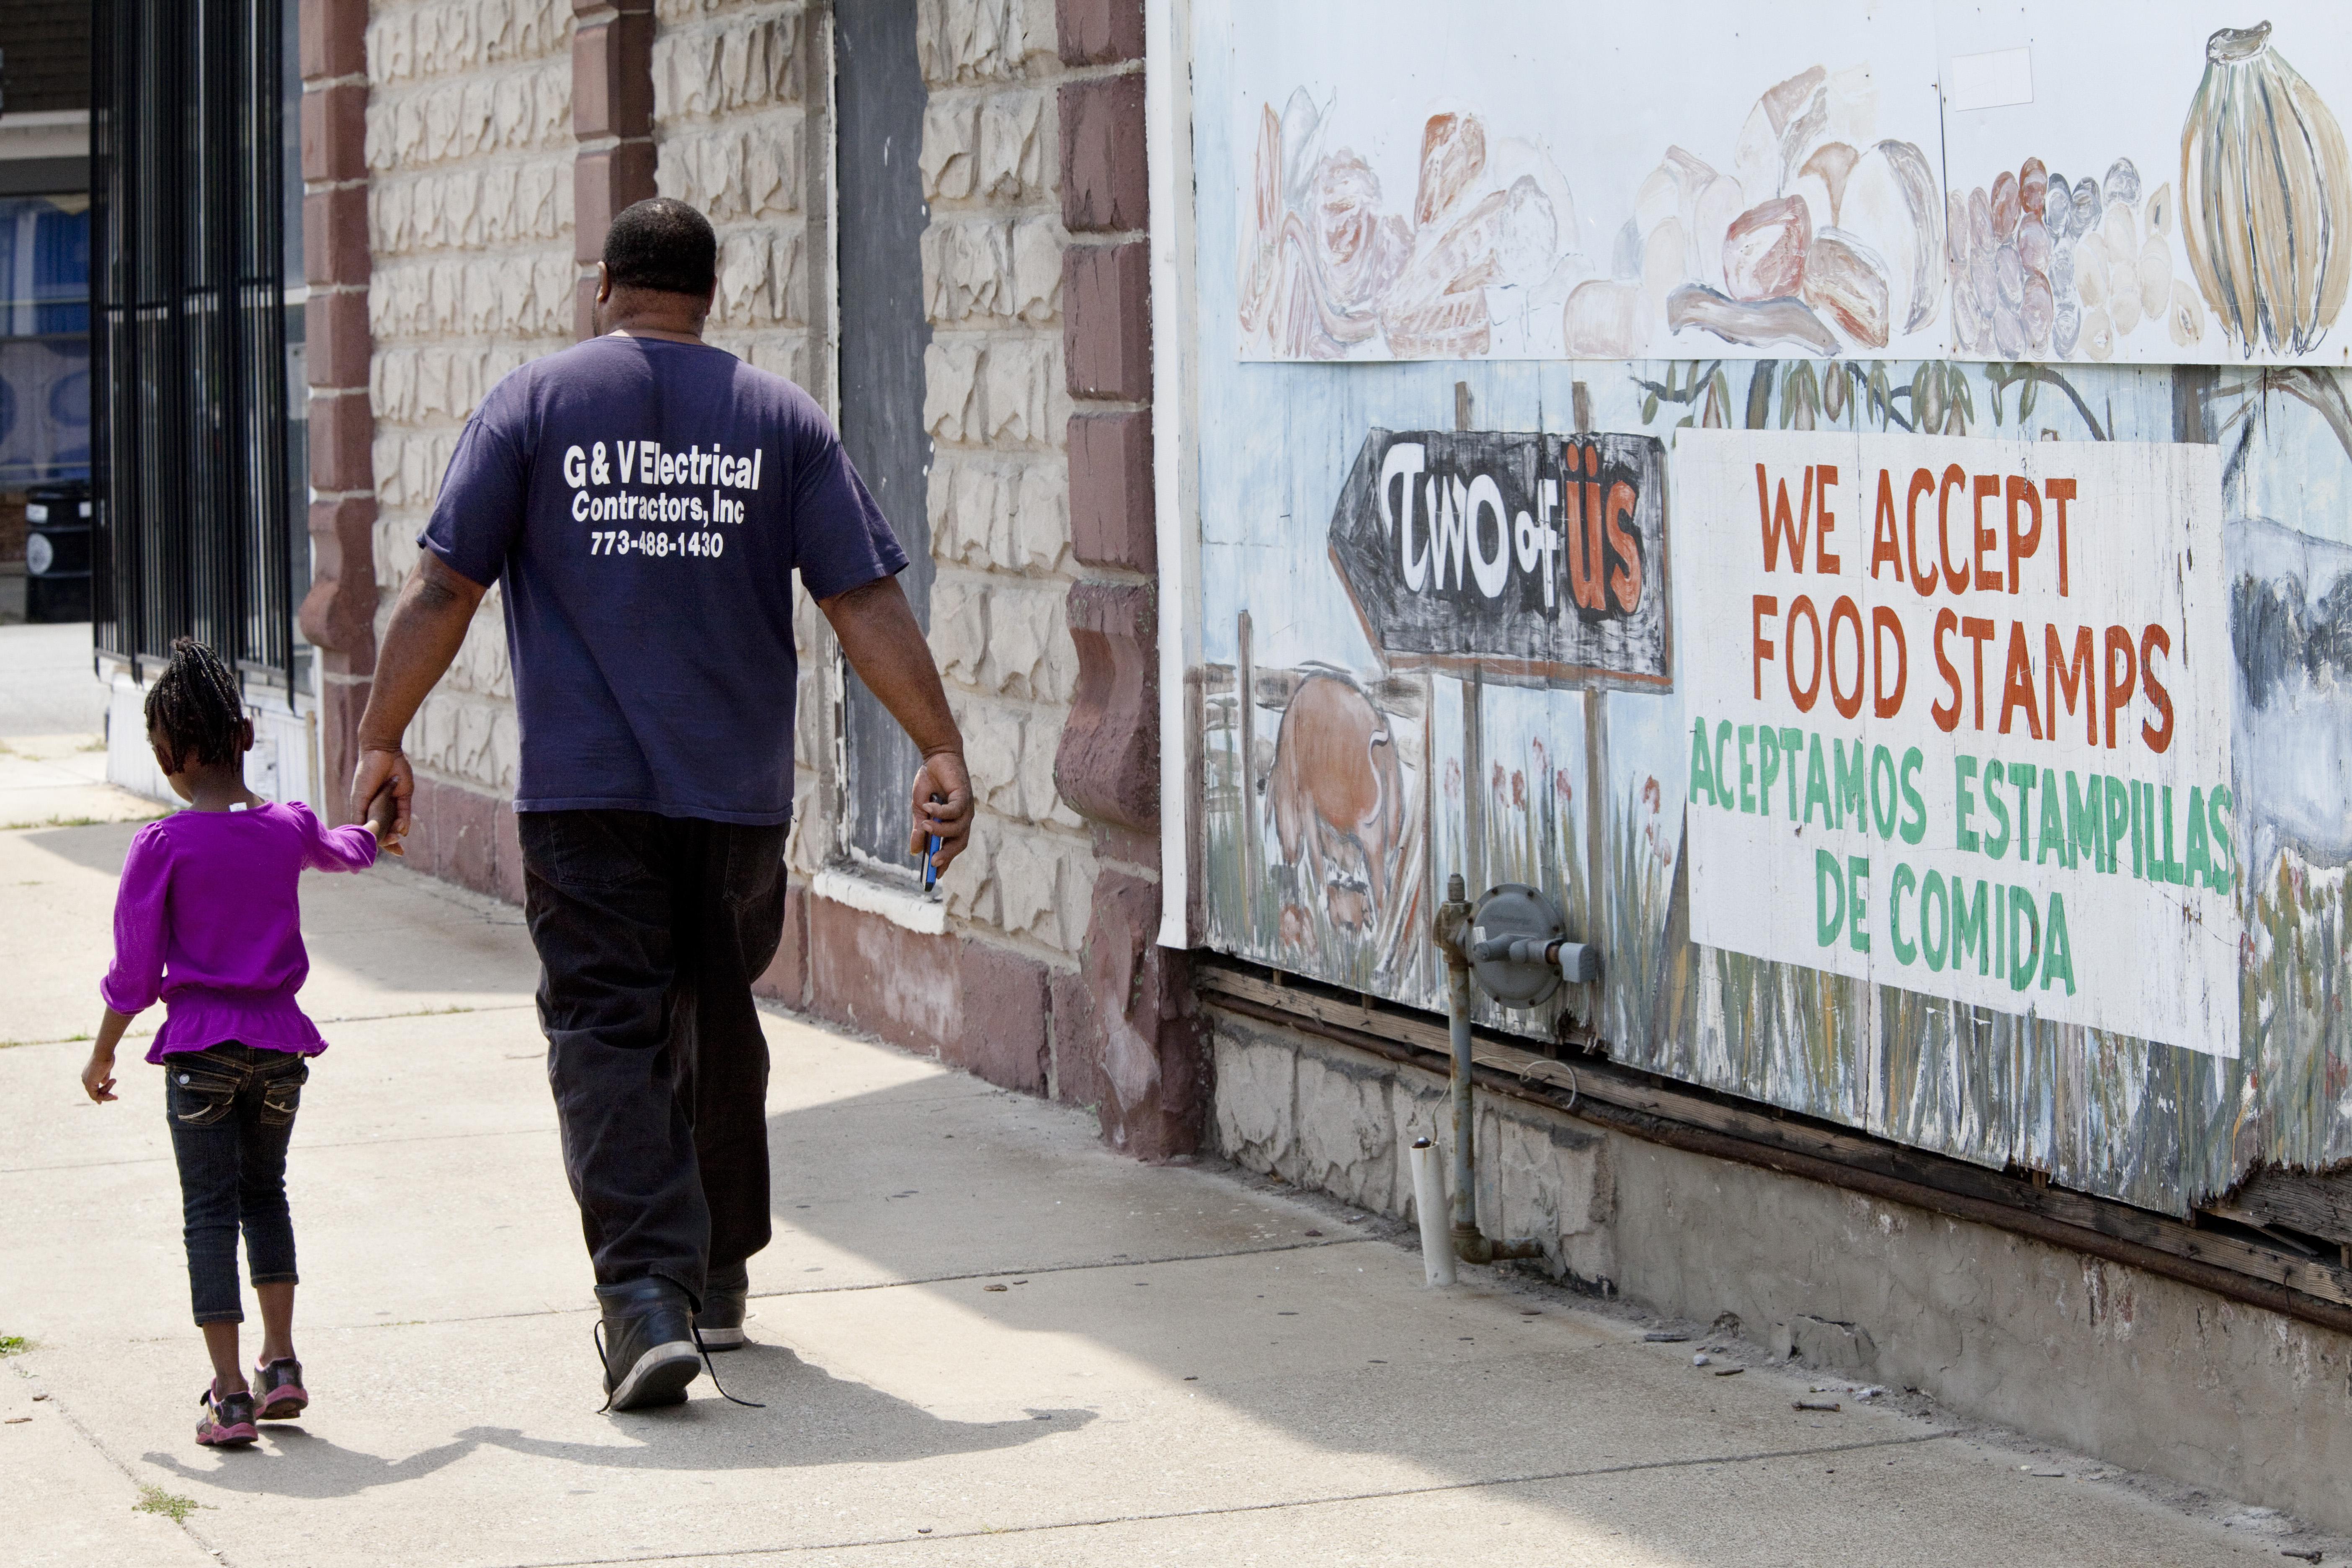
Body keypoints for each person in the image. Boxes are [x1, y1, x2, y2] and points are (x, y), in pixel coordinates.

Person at [348, 197, 974, 1412]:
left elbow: (440, 592)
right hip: (734, 800)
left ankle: (644, 1296)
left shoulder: (532, 407)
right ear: (710, 295)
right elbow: (865, 599)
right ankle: (719, 1273)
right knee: (712, 1007)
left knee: (607, 1028)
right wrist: (938, 744)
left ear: (605, 288)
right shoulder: (778, 421)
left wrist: (381, 737)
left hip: (586, 797)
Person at [80, 638, 402, 1448]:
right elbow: (347, 847)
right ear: (247, 736)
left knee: (208, 1214)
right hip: (281, 1054)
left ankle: (228, 1396)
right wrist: (374, 823)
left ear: (168, 755)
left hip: (199, 1057)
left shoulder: (163, 846)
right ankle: (282, 1364)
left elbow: (135, 970)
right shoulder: (286, 827)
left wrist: (105, 1049)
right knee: (267, 1196)